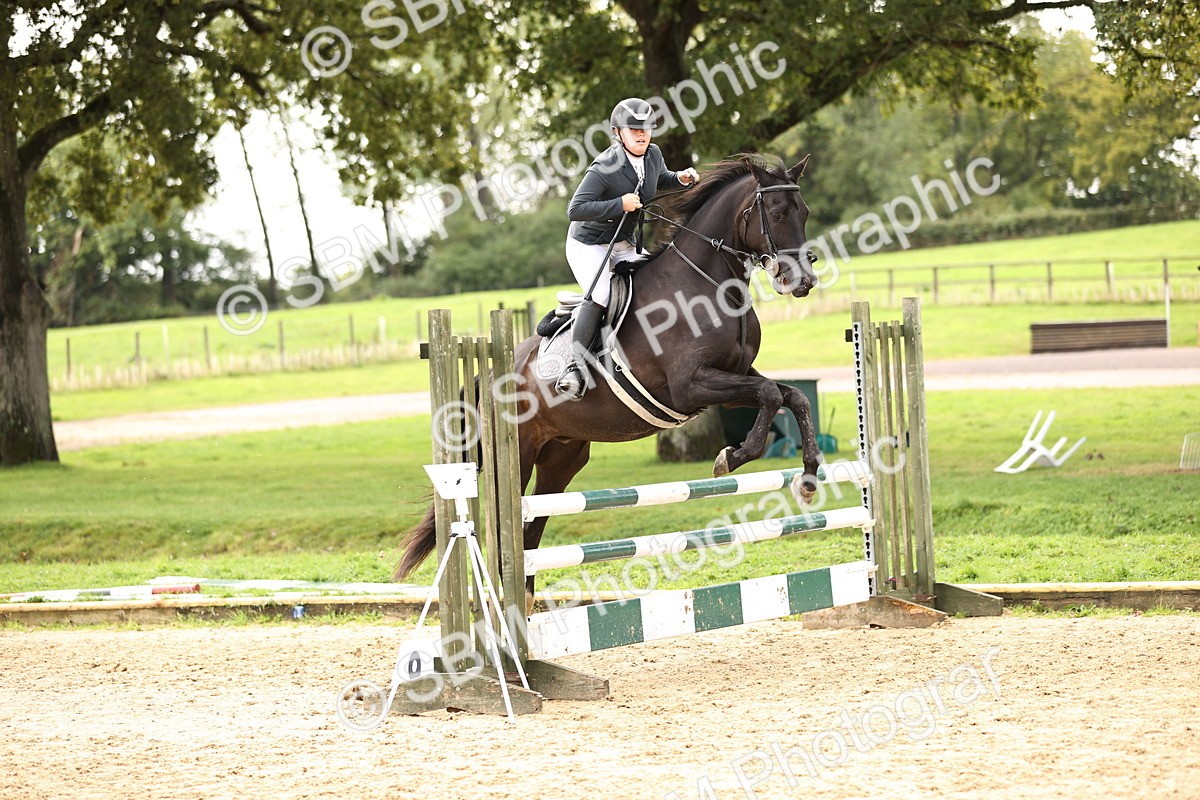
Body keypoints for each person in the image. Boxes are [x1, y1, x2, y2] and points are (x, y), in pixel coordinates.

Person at [557, 97, 700, 399]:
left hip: (624, 243)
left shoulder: (653, 154)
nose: (641, 133)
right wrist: (618, 205)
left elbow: (659, 179)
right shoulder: (604, 167)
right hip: (589, 244)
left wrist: (680, 179)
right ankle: (575, 367)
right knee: (601, 294)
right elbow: (576, 208)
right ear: (617, 133)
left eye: (645, 128)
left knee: (654, 283)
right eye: (633, 128)